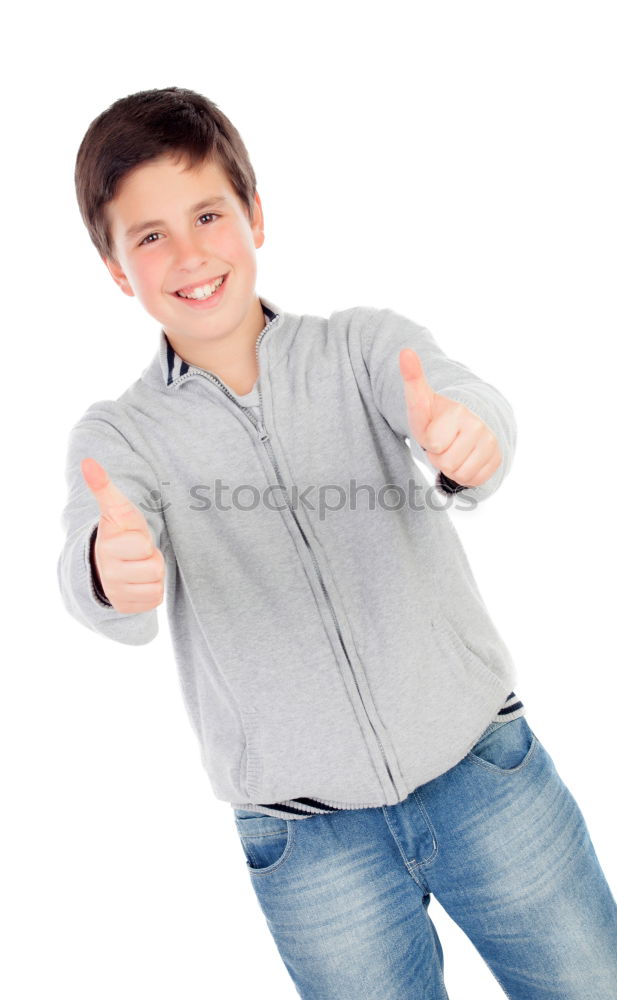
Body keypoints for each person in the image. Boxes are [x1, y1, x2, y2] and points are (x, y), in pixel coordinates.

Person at [57, 86, 617, 998]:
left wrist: (469, 436)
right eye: (149, 235)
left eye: (207, 213)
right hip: (309, 846)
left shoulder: (362, 348)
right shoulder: (119, 435)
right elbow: (98, 546)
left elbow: (457, 399)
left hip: (485, 776)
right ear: (117, 269)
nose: (189, 254)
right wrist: (106, 571)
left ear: (255, 217)